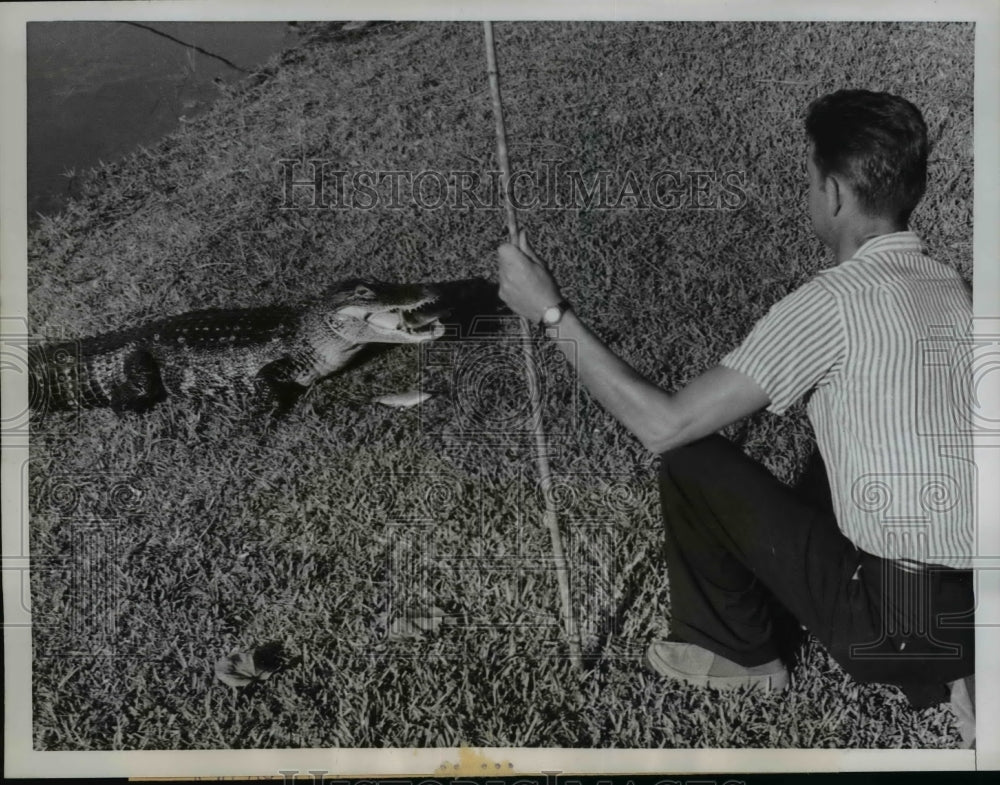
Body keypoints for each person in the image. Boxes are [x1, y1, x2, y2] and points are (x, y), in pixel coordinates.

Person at [497, 89, 975, 745]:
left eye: (808, 180)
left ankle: (739, 655)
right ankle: (960, 672)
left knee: (692, 459)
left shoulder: (831, 303)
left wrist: (552, 313)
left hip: (892, 628)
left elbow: (665, 423)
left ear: (834, 193)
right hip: (980, 610)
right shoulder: (955, 287)